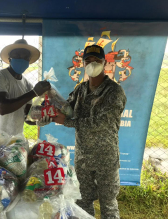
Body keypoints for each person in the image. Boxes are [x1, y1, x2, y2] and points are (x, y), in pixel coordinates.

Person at [41, 45, 127, 219]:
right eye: (88, 61)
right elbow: (67, 108)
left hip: (105, 158)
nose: (92, 64)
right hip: (84, 157)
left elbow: (102, 123)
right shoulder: (81, 89)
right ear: (83, 63)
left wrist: (67, 121)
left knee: (108, 205)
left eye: (97, 61)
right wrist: (47, 104)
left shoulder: (113, 91)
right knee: (83, 202)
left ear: (104, 63)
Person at [0, 39, 51, 136]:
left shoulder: (27, 85)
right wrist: (34, 92)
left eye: (25, 57)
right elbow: (2, 108)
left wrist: (39, 120)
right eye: (17, 55)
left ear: (29, 61)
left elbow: (26, 116)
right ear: (9, 58)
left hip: (16, 139)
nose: (21, 59)